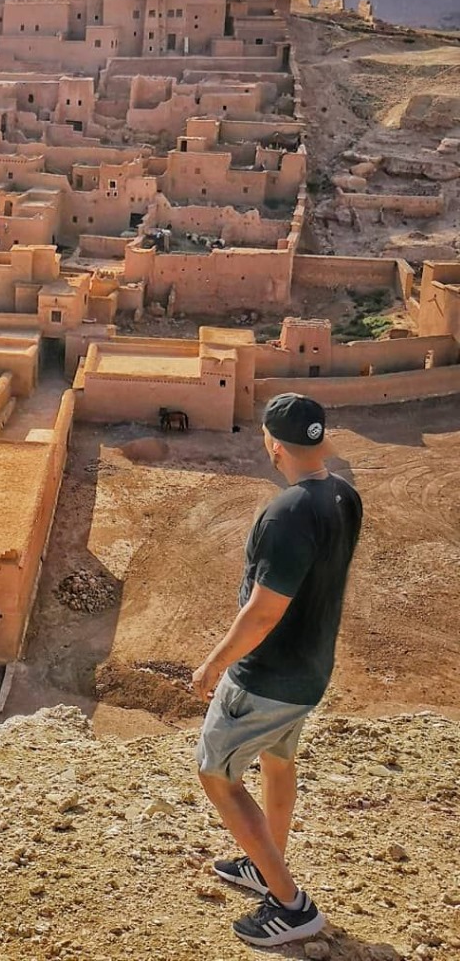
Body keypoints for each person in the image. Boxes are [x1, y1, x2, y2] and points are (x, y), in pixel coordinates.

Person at [192, 393, 362, 947]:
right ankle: (264, 863)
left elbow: (263, 612)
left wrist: (216, 662)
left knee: (215, 772)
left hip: (265, 677)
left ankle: (290, 904)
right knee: (276, 759)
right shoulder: (344, 496)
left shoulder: (286, 512)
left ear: (271, 443)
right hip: (309, 673)